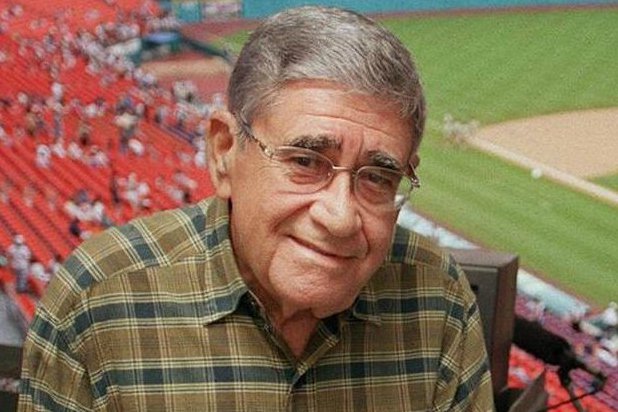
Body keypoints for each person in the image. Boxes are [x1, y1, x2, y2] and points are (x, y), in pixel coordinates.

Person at [19, 6, 493, 411]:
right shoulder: (99, 301)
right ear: (224, 153)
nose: (340, 216)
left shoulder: (437, 296)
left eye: (377, 177)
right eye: (305, 161)